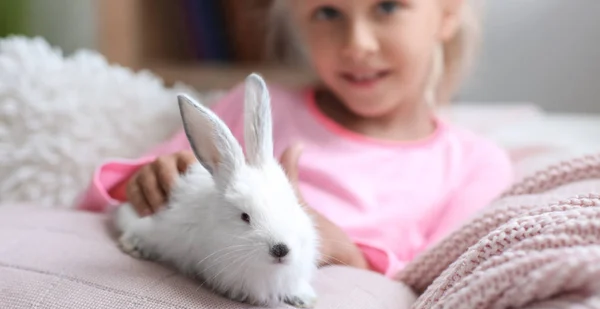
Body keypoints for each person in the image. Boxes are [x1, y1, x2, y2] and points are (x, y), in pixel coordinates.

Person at [77, 0, 513, 278]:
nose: (357, 45)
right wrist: (149, 181)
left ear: (448, 13)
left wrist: (346, 253)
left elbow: (445, 284)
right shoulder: (260, 107)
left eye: (387, 7)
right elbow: (110, 198)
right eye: (327, 12)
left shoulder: (474, 163)